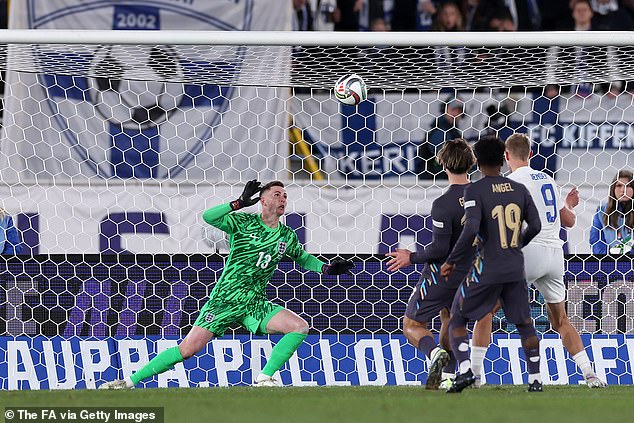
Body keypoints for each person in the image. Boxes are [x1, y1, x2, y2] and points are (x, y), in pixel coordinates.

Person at [100, 180, 354, 389]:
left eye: (285, 196)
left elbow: (303, 257)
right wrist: (239, 203)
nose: (283, 199)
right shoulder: (243, 223)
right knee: (187, 350)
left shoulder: (287, 235)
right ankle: (128, 382)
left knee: (299, 326)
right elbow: (208, 217)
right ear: (263, 201)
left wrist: (327, 268)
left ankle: (264, 378)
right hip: (225, 300)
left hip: (254, 303)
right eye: (277, 194)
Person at [470, 133, 606, 388]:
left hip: (527, 253)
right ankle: (590, 374)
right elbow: (568, 221)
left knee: (486, 310)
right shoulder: (548, 180)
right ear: (531, 154)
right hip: (555, 255)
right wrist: (569, 205)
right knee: (560, 321)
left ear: (506, 156)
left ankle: (475, 375)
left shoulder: (507, 183)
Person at [440, 136, 543, 393]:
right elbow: (537, 226)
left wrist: (452, 260)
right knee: (524, 324)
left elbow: (471, 228)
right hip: (514, 266)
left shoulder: (474, 190)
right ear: (502, 159)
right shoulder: (519, 190)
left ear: (477, 162)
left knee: (457, 318)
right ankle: (535, 379)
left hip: (488, 266)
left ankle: (465, 371)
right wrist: (517, 243)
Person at [386, 138, 476, 389]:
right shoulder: (483, 197)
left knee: (412, 325)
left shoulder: (443, 204)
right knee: (448, 318)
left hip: (441, 274)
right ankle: (448, 376)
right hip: (471, 274)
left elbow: (439, 249)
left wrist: (410, 257)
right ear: (472, 163)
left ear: (443, 164)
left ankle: (434, 353)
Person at [418, 97, 464, 180]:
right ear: (445, 109)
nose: (456, 113)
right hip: (436, 180)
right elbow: (443, 156)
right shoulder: (440, 129)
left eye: (459, 111)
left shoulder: (452, 129)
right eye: (453, 109)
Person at [589, 170, 634, 254]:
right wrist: (609, 258)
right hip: (611, 264)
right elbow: (596, 242)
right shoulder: (601, 212)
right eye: (619, 185)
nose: (623, 190)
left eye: (628, 186)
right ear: (613, 189)